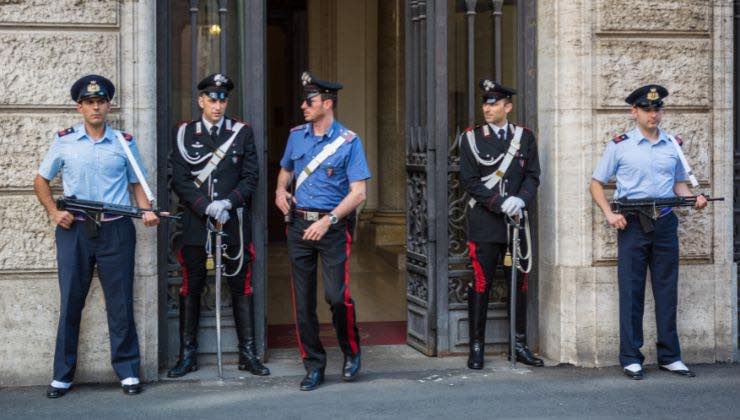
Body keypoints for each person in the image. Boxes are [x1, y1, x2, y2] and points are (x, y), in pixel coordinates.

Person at [34, 75, 160, 397]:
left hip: (116, 228)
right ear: (80, 107)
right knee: (71, 303)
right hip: (74, 230)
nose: (96, 107)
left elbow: (137, 185)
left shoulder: (124, 142)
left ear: (108, 105)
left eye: (101, 102)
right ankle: (62, 375)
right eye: (89, 102)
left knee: (120, 304)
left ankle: (128, 372)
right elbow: (41, 180)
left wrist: (146, 211)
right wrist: (53, 211)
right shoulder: (64, 141)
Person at [590, 84, 707, 380]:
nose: (653, 114)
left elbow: (679, 185)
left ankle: (670, 356)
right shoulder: (620, 145)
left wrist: (694, 198)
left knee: (667, 289)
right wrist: (609, 213)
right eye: (647, 109)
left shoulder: (673, 145)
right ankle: (631, 357)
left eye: (657, 109)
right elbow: (596, 183)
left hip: (665, 221)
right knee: (631, 290)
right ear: (634, 112)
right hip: (632, 222)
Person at [168, 73, 269, 378]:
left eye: (222, 99)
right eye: (212, 98)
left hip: (232, 222)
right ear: (201, 100)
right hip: (198, 224)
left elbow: (251, 177)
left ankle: (248, 353)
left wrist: (228, 202)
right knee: (192, 285)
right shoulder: (185, 133)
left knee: (241, 284)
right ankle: (187, 355)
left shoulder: (242, 133)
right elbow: (179, 179)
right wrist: (204, 205)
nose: (217, 104)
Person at [274, 71, 370, 391]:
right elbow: (286, 169)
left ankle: (351, 351)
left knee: (336, 296)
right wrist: (279, 191)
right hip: (300, 224)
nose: (303, 105)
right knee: (302, 302)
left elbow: (359, 193)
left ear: (327, 104)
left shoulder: (349, 142)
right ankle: (313, 364)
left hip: (331, 227)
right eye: (304, 100)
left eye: (310, 101)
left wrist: (327, 221)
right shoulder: (296, 136)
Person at [459, 79, 543, 370]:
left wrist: (520, 199)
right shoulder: (471, 137)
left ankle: (518, 343)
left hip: (517, 222)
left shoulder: (525, 137)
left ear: (508, 107)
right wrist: (499, 202)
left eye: (494, 103)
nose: (488, 108)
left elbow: (533, 175)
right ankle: (477, 345)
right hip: (485, 221)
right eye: (485, 103)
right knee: (481, 282)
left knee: (518, 283)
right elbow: (469, 181)